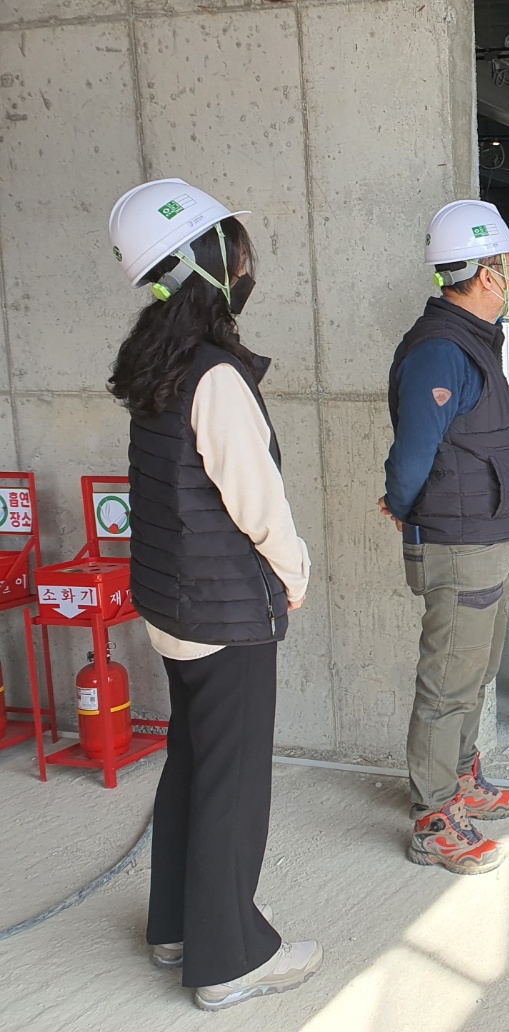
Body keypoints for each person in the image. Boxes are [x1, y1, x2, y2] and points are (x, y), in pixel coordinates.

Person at [108, 178, 322, 1011]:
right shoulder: (214, 376)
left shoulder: (154, 361)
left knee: (193, 765)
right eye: (234, 248)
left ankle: (174, 927)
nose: (245, 263)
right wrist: (294, 574)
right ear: (203, 262)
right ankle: (229, 958)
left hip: (171, 605)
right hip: (224, 611)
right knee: (232, 784)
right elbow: (255, 500)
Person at [380, 200, 509, 874]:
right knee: (448, 682)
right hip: (462, 543)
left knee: (476, 673)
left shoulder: (473, 340)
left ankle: (461, 779)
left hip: (488, 536)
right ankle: (434, 816)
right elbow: (414, 451)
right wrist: (399, 501)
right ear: (488, 272)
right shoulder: (441, 350)